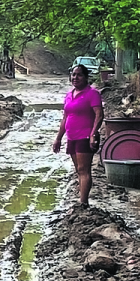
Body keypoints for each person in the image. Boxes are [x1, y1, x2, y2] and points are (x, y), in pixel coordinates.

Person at [52, 63, 104, 207]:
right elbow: (65, 118)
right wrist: (58, 138)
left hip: (85, 136)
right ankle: (82, 200)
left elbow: (99, 115)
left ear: (86, 77)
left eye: (79, 75)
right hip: (72, 137)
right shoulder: (69, 95)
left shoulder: (92, 94)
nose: (75, 77)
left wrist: (93, 134)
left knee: (84, 169)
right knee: (78, 170)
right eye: (73, 75)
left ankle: (83, 202)